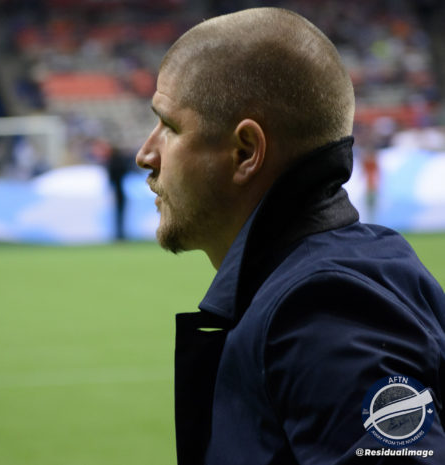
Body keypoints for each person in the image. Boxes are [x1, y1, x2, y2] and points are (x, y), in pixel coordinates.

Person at [135, 8, 445, 465]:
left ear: (245, 152)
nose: (146, 154)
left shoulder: (323, 306)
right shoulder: (348, 269)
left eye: (170, 127)